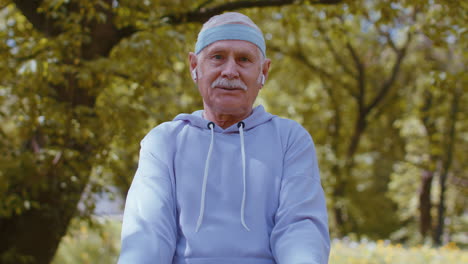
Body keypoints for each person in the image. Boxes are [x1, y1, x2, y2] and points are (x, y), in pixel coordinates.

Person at [118, 12, 330, 264]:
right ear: (195, 66)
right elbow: (147, 236)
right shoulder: (164, 142)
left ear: (263, 72)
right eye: (217, 57)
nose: (230, 71)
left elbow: (300, 229)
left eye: (243, 59)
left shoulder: (290, 140)